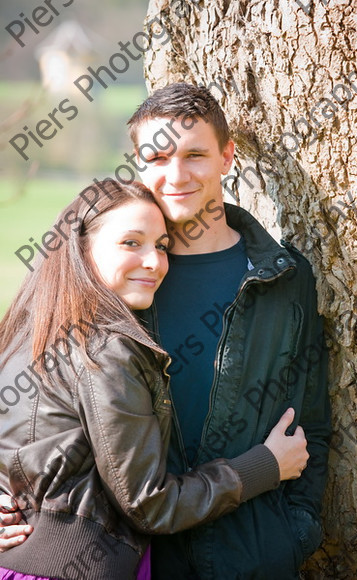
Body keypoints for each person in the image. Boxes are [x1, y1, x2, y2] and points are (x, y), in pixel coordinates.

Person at [0, 82, 331, 579]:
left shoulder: (282, 275)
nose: (176, 174)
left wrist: (297, 528)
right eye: (157, 157)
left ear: (227, 157)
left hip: (253, 552)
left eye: (195, 154)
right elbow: (31, 402)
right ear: (138, 163)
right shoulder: (110, 279)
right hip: (138, 556)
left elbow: (313, 420)